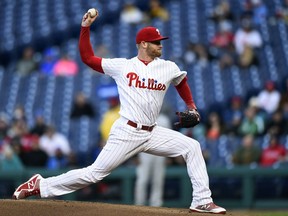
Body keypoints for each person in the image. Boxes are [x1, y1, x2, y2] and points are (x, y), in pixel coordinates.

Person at [12, 10, 226, 214]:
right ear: (143, 44)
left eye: (160, 41)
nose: (160, 45)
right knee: (94, 174)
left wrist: (192, 106)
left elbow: (181, 81)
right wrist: (85, 28)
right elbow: (88, 58)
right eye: (156, 42)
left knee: (192, 146)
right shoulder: (122, 66)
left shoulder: (168, 67)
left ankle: (202, 200)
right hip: (127, 131)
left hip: (153, 132)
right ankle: (40, 184)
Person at [134, 110, 171, 207]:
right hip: (144, 152)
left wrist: (167, 155)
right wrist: (135, 155)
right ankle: (139, 204)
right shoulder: (142, 117)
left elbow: (169, 139)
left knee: (158, 180)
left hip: (160, 153)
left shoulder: (164, 119)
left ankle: (156, 204)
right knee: (142, 179)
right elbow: (136, 137)